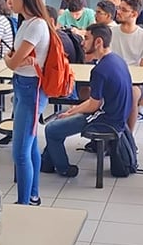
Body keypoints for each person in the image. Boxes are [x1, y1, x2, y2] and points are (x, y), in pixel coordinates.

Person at [42, 24, 133, 178]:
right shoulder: (117, 60)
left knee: (51, 130)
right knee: (61, 121)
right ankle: (46, 162)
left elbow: (93, 105)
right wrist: (71, 112)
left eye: (86, 38)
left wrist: (72, 112)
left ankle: (64, 169)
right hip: (117, 116)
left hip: (106, 120)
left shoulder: (100, 70)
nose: (82, 43)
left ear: (98, 42)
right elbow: (95, 101)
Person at [4, 0, 52, 205]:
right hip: (22, 84)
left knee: (20, 153)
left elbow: (13, 61)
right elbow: (19, 58)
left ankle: (23, 203)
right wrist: (18, 59)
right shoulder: (26, 22)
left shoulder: (36, 25)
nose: (9, 1)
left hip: (32, 88)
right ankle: (33, 196)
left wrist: (12, 59)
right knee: (30, 144)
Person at [112, 0, 143, 132]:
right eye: (119, 8)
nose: (118, 12)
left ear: (134, 14)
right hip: (114, 77)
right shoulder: (110, 33)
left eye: (123, 10)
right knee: (89, 89)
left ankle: (128, 138)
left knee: (131, 93)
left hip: (137, 82)